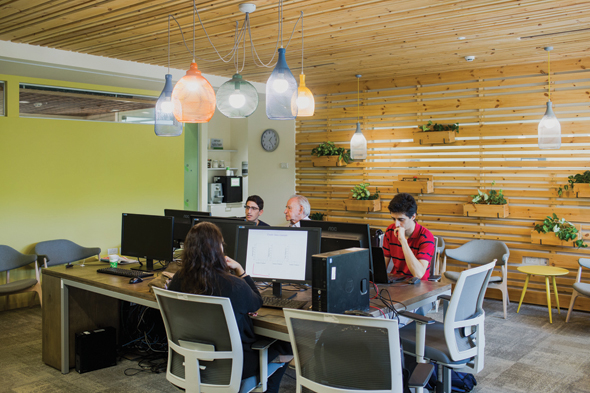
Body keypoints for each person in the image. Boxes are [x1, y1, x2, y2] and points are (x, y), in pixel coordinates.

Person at [167, 222, 288, 392]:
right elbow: (256, 303)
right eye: (221, 245)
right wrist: (241, 270)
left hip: (190, 363)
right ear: (217, 250)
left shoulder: (178, 279)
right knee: (285, 345)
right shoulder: (234, 285)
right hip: (233, 366)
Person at [383, 193, 435, 280]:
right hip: (396, 282)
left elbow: (418, 274)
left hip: (418, 285)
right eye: (393, 219)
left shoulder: (426, 236)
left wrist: (403, 241)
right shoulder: (390, 231)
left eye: (401, 219)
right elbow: (382, 266)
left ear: (413, 216)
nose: (396, 224)